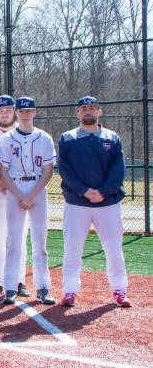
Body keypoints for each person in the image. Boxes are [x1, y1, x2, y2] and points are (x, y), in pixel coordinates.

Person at [58, 96, 131, 307]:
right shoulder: (67, 138)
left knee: (114, 248)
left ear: (99, 112)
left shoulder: (112, 137)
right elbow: (65, 170)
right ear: (77, 113)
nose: (88, 111)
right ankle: (70, 291)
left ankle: (119, 290)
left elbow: (118, 170)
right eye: (83, 109)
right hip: (77, 202)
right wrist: (84, 191)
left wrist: (104, 191)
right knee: (72, 248)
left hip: (107, 203)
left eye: (92, 108)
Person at [0, 97, 56, 305]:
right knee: (14, 242)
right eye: (21, 111)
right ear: (16, 113)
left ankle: (43, 287)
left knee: (40, 243)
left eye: (28, 111)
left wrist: (31, 195)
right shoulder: (6, 139)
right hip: (15, 189)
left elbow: (48, 171)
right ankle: (11, 288)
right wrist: (19, 195)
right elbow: (2, 172)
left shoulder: (44, 138)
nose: (25, 114)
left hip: (37, 188)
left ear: (34, 112)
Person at [0, 95, 29, 298]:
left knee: (19, 238)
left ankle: (19, 280)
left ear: (14, 112)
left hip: (19, 193)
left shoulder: (24, 134)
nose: (4, 113)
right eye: (1, 110)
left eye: (8, 110)